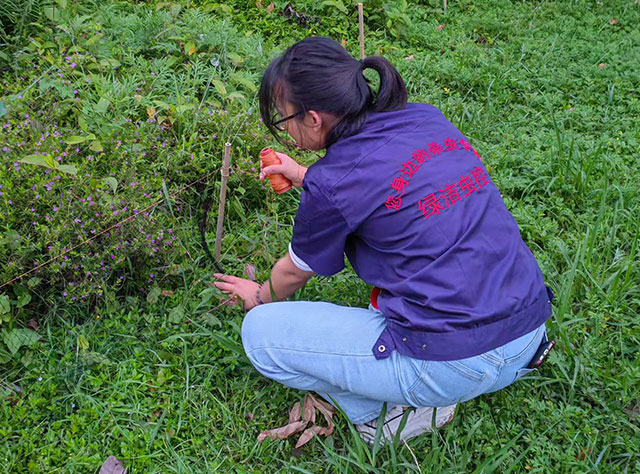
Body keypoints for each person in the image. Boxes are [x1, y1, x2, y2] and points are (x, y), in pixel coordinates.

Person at [213, 36, 553, 444]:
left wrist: (258, 296)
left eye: (285, 120)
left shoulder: (334, 185)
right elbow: (388, 185)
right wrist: (309, 176)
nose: (287, 131)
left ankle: (384, 418)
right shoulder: (425, 119)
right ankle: (435, 385)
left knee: (260, 334)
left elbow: (292, 275)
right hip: (527, 333)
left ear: (315, 119)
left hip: (456, 361)